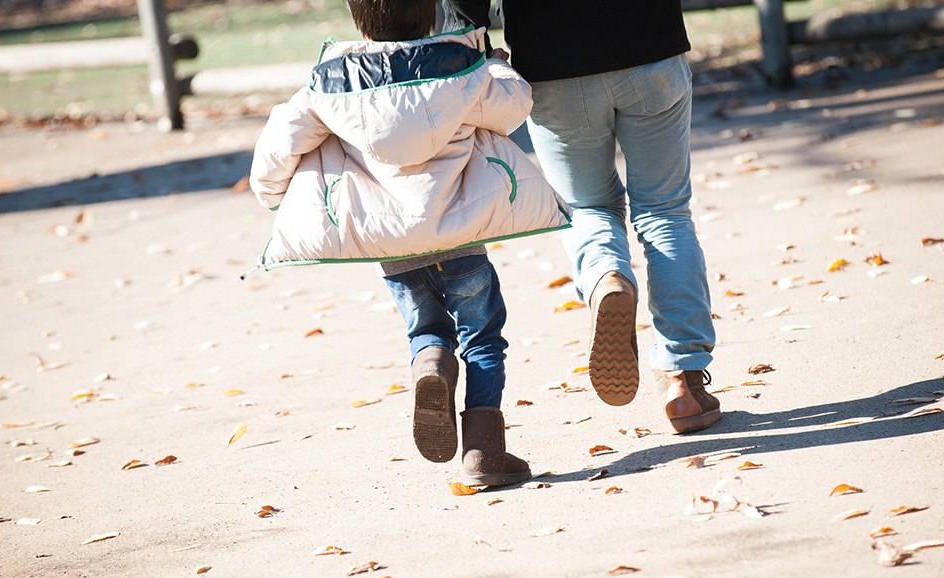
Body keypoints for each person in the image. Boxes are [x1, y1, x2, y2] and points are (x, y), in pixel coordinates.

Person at [248, 0, 570, 486]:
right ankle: (484, 451)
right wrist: (496, 65)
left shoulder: (330, 83)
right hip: (460, 230)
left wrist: (275, 196)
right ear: (429, 15)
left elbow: (279, 145)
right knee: (482, 334)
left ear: (359, 22)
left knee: (427, 328)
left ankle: (431, 365)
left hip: (392, 242)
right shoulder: (460, 69)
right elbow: (514, 105)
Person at [442, 0, 721, 434]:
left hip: (553, 61)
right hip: (651, 44)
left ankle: (606, 277)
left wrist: (476, 42)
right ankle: (682, 382)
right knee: (664, 212)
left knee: (588, 206)